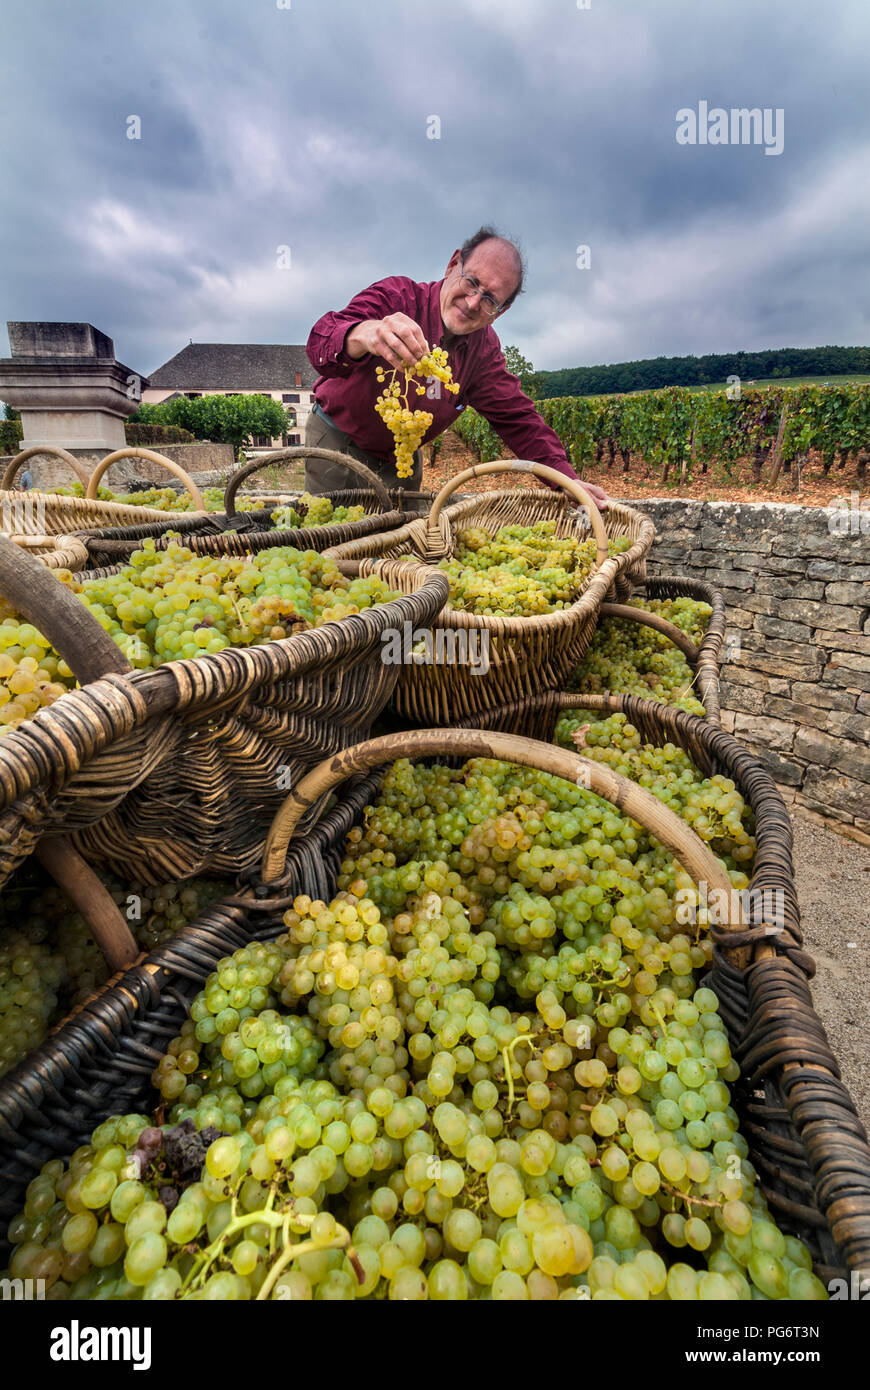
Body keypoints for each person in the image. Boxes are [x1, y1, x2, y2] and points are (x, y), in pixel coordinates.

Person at [304, 227, 609, 509]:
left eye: (490, 299)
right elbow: (319, 344)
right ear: (453, 264)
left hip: (403, 461)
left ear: (502, 311)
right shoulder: (396, 297)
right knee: (334, 542)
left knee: (397, 552)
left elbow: (518, 419)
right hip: (338, 445)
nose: (474, 303)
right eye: (472, 282)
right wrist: (365, 333)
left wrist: (565, 479)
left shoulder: (484, 352)